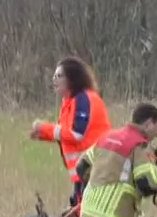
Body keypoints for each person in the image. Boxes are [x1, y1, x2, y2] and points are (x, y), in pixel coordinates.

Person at [30, 56, 112, 207]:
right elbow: (64, 133)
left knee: (86, 215)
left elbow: (76, 134)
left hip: (94, 170)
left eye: (59, 76)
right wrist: (42, 134)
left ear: (73, 79)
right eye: (54, 75)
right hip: (83, 173)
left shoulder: (84, 99)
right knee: (77, 212)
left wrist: (44, 127)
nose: (54, 79)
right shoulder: (70, 101)